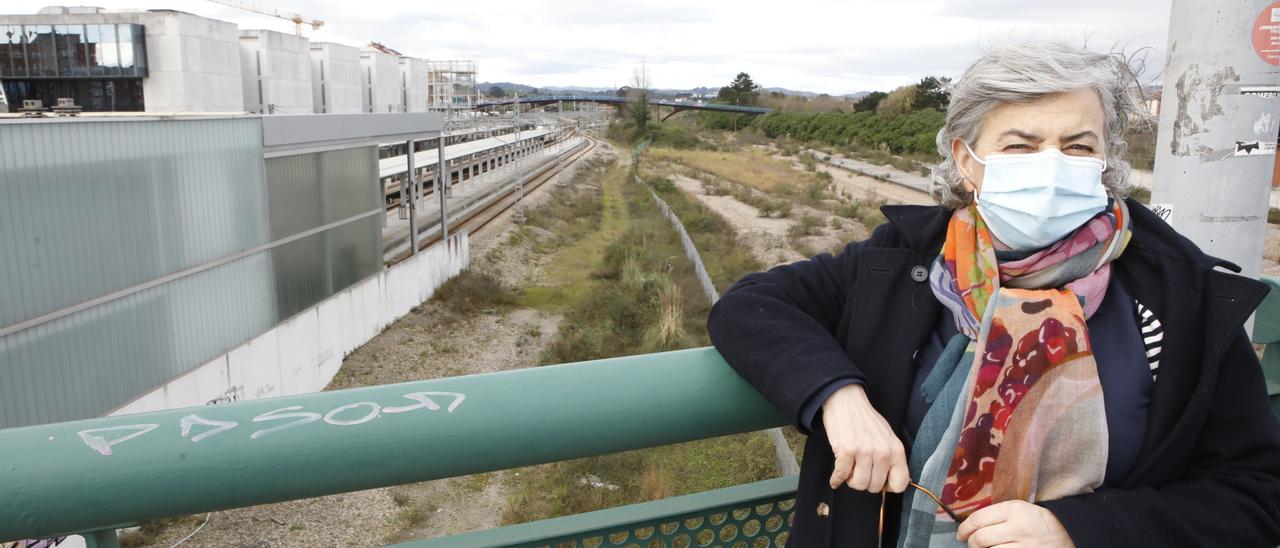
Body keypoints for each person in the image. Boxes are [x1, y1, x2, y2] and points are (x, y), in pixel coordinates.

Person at [707, 42, 1280, 547]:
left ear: (1106, 160)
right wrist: (839, 398)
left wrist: (1083, 530)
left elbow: (1254, 496)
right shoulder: (902, 261)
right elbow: (751, 306)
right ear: (966, 160)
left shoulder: (1183, 297)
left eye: (1078, 146)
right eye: (1020, 145)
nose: (1051, 166)